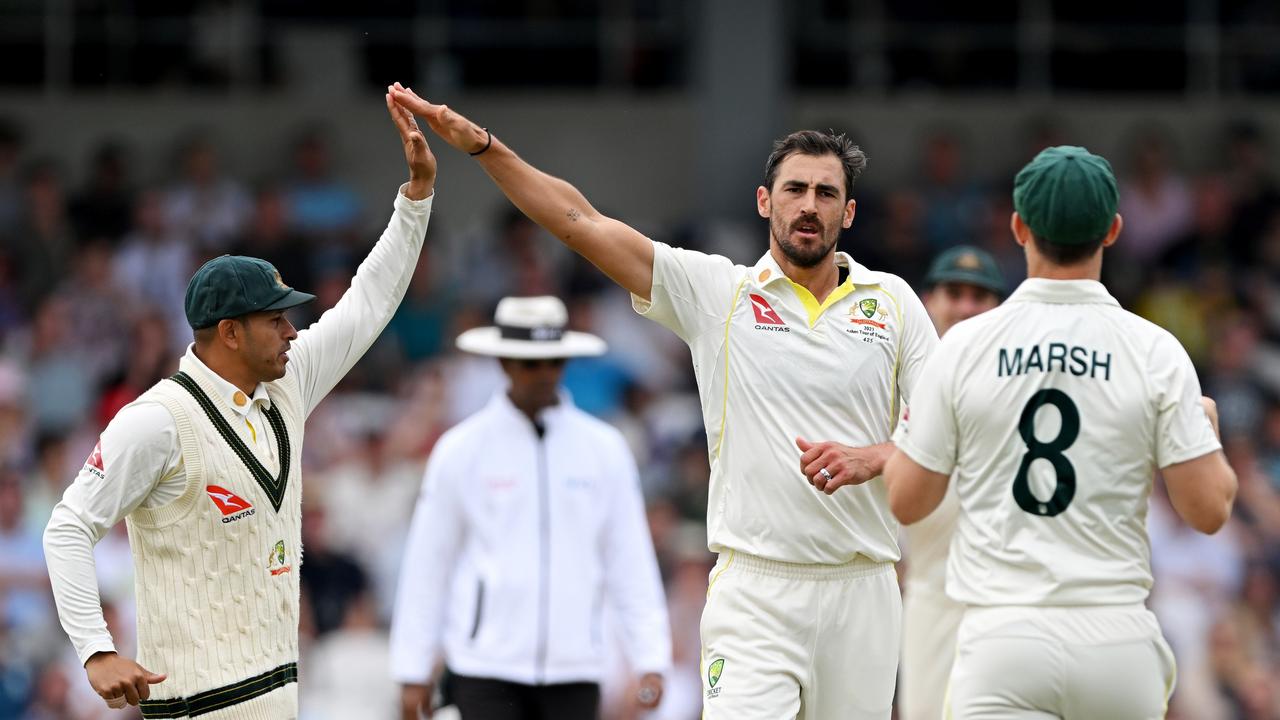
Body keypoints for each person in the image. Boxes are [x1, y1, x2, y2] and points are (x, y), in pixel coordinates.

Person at [390, 83, 938, 719]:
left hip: (865, 583)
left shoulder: (893, 302)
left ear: (848, 214)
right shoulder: (718, 293)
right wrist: (484, 148)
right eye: (794, 190)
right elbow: (581, 222)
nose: (808, 206)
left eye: (826, 193)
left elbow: (943, 432)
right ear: (765, 202)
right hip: (757, 587)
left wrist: (874, 458)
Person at [42, 90, 438, 718]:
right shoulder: (157, 421)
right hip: (194, 708)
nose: (291, 331)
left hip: (280, 701)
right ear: (229, 332)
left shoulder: (289, 380)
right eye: (275, 319)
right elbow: (68, 527)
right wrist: (95, 650)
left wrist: (415, 198)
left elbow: (367, 304)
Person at [884, 146, 1238, 719]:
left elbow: (906, 500)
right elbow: (1209, 511)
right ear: (1114, 230)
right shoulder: (1155, 351)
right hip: (1115, 637)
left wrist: (915, 428)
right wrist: (1208, 437)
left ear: (1019, 228)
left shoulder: (964, 347)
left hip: (1002, 638)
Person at [390, 295, 671, 720]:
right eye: (529, 363)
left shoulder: (604, 449)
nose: (544, 374)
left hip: (575, 666)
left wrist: (651, 659)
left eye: (553, 362)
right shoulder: (462, 449)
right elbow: (429, 561)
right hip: (484, 666)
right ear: (504, 362)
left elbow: (629, 556)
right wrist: (412, 668)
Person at [898, 245, 1004, 720]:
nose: (966, 307)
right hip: (930, 590)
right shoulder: (898, 379)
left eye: (980, 296)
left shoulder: (1019, 383)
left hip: (1008, 593)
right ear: (928, 301)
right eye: (954, 293)